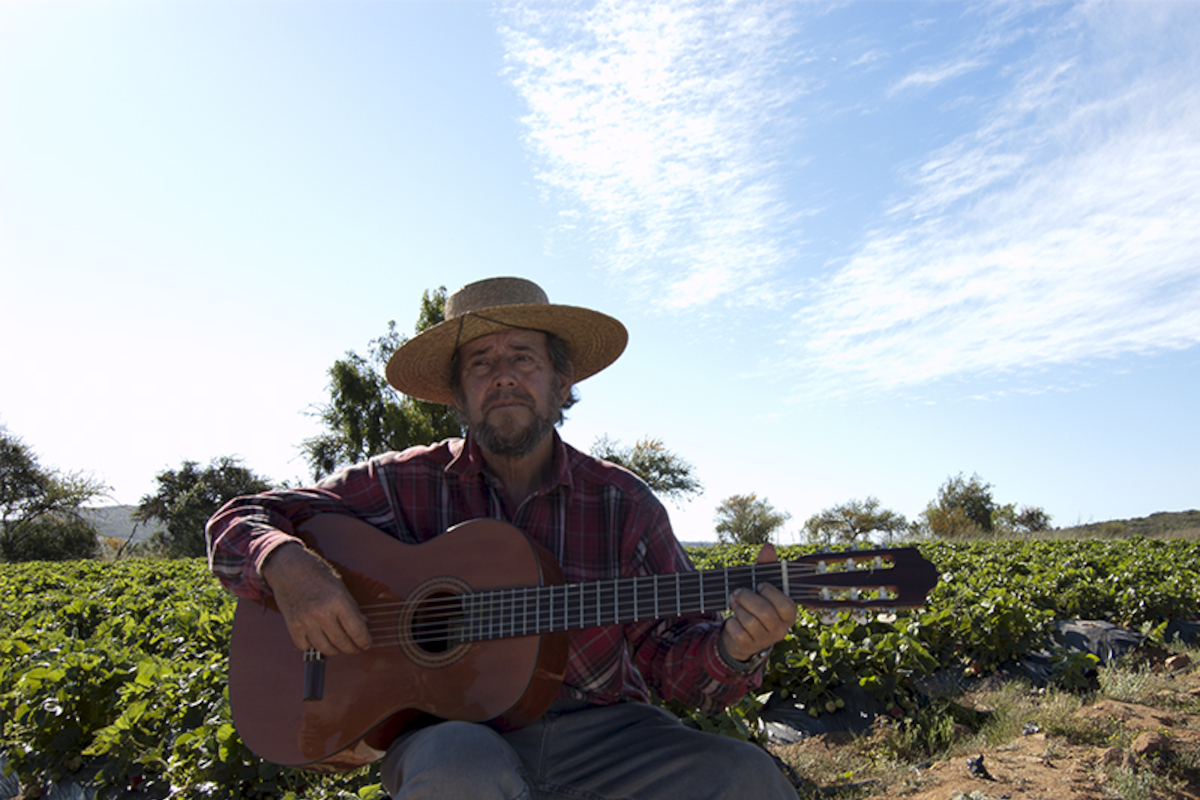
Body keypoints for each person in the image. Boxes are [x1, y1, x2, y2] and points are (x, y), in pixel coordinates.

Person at [207, 276, 799, 800]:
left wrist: (735, 648)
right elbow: (238, 518)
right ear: (459, 395)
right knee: (458, 770)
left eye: (523, 357)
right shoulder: (400, 481)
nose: (504, 377)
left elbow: (674, 663)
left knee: (746, 777)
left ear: (562, 383)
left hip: (605, 733)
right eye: (481, 364)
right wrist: (289, 566)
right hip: (450, 732)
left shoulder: (624, 503)